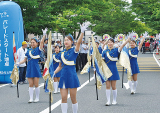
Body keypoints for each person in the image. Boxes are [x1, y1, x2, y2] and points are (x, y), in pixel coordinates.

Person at [53, 24, 88, 113]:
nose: (66, 41)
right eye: (65, 40)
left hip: (72, 76)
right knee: (64, 98)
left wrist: (82, 32)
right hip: (63, 77)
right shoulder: (61, 53)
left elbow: (79, 42)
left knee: (73, 98)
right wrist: (53, 73)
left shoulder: (74, 50)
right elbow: (60, 66)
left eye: (68, 40)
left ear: (72, 42)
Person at [18, 28, 48, 103]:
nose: (32, 43)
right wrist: (18, 63)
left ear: (36, 43)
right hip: (29, 68)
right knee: (30, 84)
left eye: (33, 42)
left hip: (36, 68)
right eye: (31, 42)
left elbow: (41, 43)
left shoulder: (38, 49)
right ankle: (31, 98)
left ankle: (37, 98)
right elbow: (25, 60)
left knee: (36, 84)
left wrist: (44, 35)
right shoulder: (28, 51)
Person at [102, 38, 130, 106]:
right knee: (107, 86)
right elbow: (102, 62)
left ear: (113, 43)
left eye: (111, 42)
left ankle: (114, 100)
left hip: (114, 69)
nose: (110, 43)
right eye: (109, 42)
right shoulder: (104, 51)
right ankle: (108, 101)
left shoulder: (116, 50)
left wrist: (127, 40)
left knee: (113, 86)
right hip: (106, 70)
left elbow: (123, 45)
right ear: (107, 43)